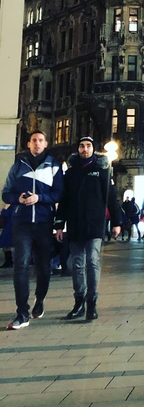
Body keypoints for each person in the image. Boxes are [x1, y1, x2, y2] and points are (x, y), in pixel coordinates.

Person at [54, 137, 122, 321]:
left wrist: (117, 222)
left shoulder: (101, 171)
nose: (85, 149)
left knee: (92, 261)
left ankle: (92, 302)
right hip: (75, 224)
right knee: (77, 264)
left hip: (94, 223)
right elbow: (64, 201)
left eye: (89, 146)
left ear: (93, 149)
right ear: (78, 149)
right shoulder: (70, 173)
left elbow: (111, 197)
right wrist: (59, 225)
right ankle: (79, 303)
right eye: (82, 146)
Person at [2, 129, 64, 329]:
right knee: (20, 265)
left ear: (46, 144)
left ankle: (40, 298)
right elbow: (6, 193)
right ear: (28, 144)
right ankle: (22, 313)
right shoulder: (19, 166)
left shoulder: (54, 166)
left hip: (44, 223)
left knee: (43, 267)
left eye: (40, 140)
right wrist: (16, 199)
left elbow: (59, 194)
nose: (37, 143)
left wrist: (40, 198)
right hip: (22, 223)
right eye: (34, 140)